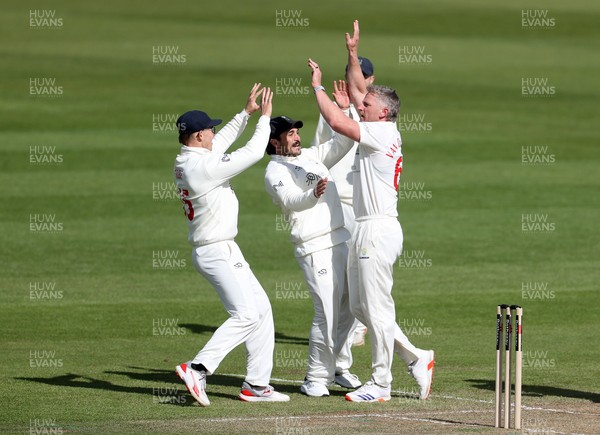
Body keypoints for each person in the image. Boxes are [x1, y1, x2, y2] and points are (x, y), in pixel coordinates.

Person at [307, 20, 435, 403]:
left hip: (377, 230)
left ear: (384, 113)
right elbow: (358, 89)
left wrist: (316, 86)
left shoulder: (383, 133)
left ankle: (381, 385)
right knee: (361, 306)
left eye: (367, 106)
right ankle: (416, 357)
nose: (360, 104)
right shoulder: (379, 123)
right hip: (364, 227)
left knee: (377, 309)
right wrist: (351, 54)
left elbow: (335, 119)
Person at [173, 84, 289, 406]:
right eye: (210, 129)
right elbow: (252, 153)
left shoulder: (187, 160)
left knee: (262, 310)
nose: (214, 132)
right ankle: (197, 368)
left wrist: (245, 115)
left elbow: (220, 144)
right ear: (198, 136)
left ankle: (256, 385)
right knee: (247, 314)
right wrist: (264, 119)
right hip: (216, 251)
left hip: (221, 248)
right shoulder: (204, 167)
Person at [264, 86, 362, 397]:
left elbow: (345, 141)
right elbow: (292, 199)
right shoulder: (273, 171)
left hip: (340, 237)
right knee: (327, 312)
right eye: (289, 134)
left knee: (352, 308)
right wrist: (314, 193)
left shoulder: (310, 154)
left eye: (295, 132)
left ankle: (338, 366)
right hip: (313, 246)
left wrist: (345, 113)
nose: (295, 137)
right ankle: (316, 378)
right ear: (273, 142)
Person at [310, 57, 376, 348]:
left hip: (365, 206)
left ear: (369, 81)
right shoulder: (332, 112)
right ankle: (347, 333)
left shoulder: (377, 117)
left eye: (361, 77)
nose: (355, 81)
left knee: (362, 272)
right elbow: (324, 145)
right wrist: (338, 107)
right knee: (347, 274)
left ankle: (355, 328)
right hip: (339, 203)